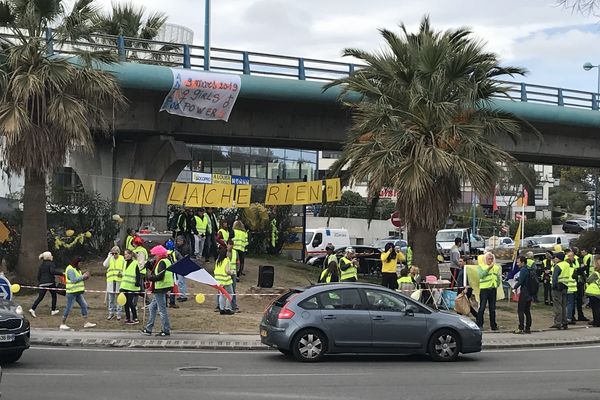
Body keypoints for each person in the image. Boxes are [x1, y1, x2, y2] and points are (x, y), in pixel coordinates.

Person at [141, 245, 173, 336]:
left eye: (155, 255)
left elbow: (159, 276)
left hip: (160, 287)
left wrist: (150, 277)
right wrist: (150, 267)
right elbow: (158, 272)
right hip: (163, 287)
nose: (154, 257)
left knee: (162, 310)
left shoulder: (162, 262)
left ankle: (166, 330)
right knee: (152, 307)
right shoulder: (166, 261)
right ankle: (149, 328)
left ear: (159, 254)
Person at [60, 257, 96, 330]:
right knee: (69, 308)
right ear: (77, 262)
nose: (81, 264)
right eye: (80, 263)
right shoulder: (70, 269)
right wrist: (83, 276)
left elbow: (79, 279)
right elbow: (73, 280)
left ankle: (86, 322)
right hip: (72, 292)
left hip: (77, 292)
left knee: (84, 305)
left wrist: (85, 277)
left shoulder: (76, 269)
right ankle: (62, 323)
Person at [29, 251, 61, 318]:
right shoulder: (51, 263)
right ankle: (53, 310)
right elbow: (52, 271)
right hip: (50, 283)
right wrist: (61, 273)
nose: (52, 256)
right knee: (54, 296)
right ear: (49, 257)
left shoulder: (41, 265)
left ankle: (32, 309)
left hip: (42, 283)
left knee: (40, 297)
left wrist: (40, 282)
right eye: (51, 255)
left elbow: (38, 275)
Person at [476, 252, 501, 330]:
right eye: (488, 259)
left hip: (493, 289)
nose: (490, 260)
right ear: (485, 259)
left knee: (492, 309)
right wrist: (488, 268)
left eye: (491, 259)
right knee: (482, 308)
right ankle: (479, 324)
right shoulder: (481, 267)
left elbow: (497, 276)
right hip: (484, 289)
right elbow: (481, 275)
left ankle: (493, 325)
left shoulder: (496, 267)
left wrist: (497, 284)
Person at [103, 246, 124, 321]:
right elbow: (105, 265)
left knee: (119, 299)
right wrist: (109, 256)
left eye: (116, 253)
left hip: (119, 281)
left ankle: (118, 314)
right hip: (111, 281)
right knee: (111, 299)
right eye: (113, 253)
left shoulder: (122, 258)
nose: (114, 255)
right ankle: (111, 313)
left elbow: (125, 268)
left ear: (119, 252)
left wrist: (122, 273)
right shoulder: (110, 258)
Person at [120, 249, 141, 324]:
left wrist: (137, 283)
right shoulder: (124, 263)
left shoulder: (135, 263)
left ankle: (135, 317)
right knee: (125, 303)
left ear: (130, 255)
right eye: (124, 254)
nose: (125, 256)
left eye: (126, 254)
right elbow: (125, 274)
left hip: (132, 287)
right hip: (124, 286)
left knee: (130, 302)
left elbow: (138, 274)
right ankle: (128, 318)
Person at [513, 256, 533, 334]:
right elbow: (525, 279)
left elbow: (521, 281)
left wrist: (515, 287)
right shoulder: (529, 268)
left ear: (523, 262)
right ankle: (528, 328)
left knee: (520, 310)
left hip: (524, 292)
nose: (517, 264)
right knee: (527, 311)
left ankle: (521, 327)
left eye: (518, 262)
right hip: (530, 292)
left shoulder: (523, 270)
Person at [214, 246, 235, 315]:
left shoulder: (217, 260)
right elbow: (227, 271)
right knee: (230, 294)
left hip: (219, 281)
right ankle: (228, 308)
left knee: (221, 294)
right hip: (226, 281)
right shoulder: (226, 260)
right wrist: (232, 272)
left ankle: (221, 309)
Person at [551, 252, 570, 330]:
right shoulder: (567, 264)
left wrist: (553, 286)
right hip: (565, 286)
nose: (554, 259)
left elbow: (554, 278)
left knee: (557, 306)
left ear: (558, 258)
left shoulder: (557, 266)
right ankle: (564, 322)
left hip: (558, 287)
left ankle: (558, 323)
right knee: (564, 305)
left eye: (555, 257)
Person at [565, 249, 582, 324]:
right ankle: (569, 318)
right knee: (570, 304)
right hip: (571, 288)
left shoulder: (563, 267)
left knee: (565, 304)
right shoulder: (573, 269)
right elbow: (576, 277)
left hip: (564, 287)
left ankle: (567, 317)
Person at [585, 254, 600, 327]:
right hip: (598, 292)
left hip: (594, 292)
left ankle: (596, 322)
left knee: (595, 309)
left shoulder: (595, 274)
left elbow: (588, 280)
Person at [226, 239, 240, 310]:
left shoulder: (235, 253)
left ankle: (233, 304)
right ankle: (221, 304)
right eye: (229, 244)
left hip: (233, 273)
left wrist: (237, 272)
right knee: (224, 289)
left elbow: (238, 262)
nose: (231, 246)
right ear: (227, 244)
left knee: (233, 289)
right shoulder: (224, 253)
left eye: (232, 244)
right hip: (226, 273)